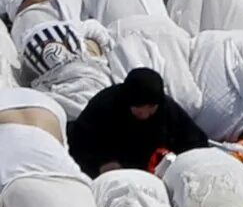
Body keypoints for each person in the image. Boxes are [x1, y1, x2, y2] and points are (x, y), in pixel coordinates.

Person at [68, 67, 209, 174]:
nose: (146, 115)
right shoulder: (105, 106)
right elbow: (78, 142)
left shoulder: (166, 108)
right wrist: (100, 164)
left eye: (151, 108)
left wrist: (177, 163)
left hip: (153, 172)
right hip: (109, 172)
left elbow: (196, 141)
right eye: (140, 109)